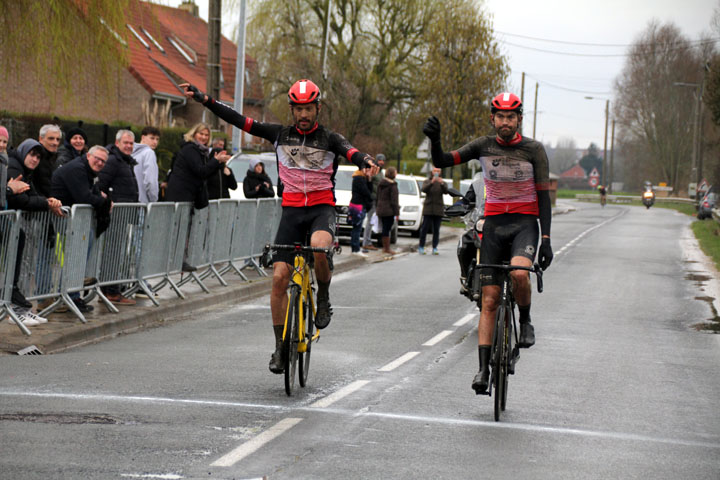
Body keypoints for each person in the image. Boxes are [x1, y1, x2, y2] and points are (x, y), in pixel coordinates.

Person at [179, 78, 375, 375]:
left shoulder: (330, 138)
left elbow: (353, 152)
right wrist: (206, 99)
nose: (303, 115)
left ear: (317, 108)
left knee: (320, 248)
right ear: (292, 110)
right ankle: (280, 348)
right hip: (292, 211)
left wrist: (366, 160)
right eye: (298, 109)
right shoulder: (279, 134)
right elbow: (238, 119)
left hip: (321, 208)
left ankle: (322, 296)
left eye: (308, 108)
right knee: (279, 278)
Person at [423, 92, 553, 395]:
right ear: (492, 119)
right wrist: (435, 140)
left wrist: (545, 239)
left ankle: (526, 318)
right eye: (500, 117)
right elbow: (444, 160)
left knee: (520, 274)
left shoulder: (534, 150)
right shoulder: (483, 146)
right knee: (490, 299)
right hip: (493, 225)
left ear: (519, 119)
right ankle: (483, 369)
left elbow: (544, 198)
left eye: (511, 117)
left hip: (524, 225)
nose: (505, 122)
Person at [7, 139, 66, 325]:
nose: (34, 160)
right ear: (23, 152)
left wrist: (49, 201)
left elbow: (31, 194)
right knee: (18, 270)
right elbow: (21, 200)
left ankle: (23, 309)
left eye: (38, 157)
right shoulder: (14, 167)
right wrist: (47, 204)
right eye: (32, 155)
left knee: (25, 268)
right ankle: (16, 311)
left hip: (21, 226)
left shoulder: (26, 171)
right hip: (13, 224)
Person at [50, 146, 113, 313]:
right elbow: (84, 197)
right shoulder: (78, 169)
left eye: (103, 161)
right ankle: (66, 296)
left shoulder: (88, 171)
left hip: (76, 221)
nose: (99, 163)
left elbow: (93, 193)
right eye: (97, 159)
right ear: (88, 155)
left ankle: (73, 295)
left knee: (78, 258)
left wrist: (101, 199)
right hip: (63, 219)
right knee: (74, 258)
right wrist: (105, 202)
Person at [164, 123, 230, 272]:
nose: (204, 137)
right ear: (194, 134)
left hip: (189, 196)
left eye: (206, 135)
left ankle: (180, 260)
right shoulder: (190, 150)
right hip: (180, 195)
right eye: (201, 134)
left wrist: (218, 163)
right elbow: (200, 171)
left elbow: (206, 174)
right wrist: (216, 161)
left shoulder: (201, 152)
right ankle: (174, 262)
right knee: (178, 230)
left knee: (184, 230)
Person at [418, 167, 448, 255]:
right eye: (435, 171)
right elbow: (424, 190)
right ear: (432, 172)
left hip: (438, 209)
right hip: (428, 209)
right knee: (424, 229)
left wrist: (441, 183)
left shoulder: (442, 182)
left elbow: (446, 191)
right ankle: (421, 246)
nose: (436, 172)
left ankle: (434, 247)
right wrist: (432, 183)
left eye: (438, 171)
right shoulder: (427, 181)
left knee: (436, 230)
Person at [362, 153, 385, 251]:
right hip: (372, 199)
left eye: (383, 160)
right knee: (370, 221)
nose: (382, 162)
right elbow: (369, 181)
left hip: (378, 199)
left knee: (373, 221)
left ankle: (368, 241)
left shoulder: (381, 171)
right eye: (380, 160)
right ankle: (366, 242)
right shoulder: (374, 169)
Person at [349, 165, 374, 256]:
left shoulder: (363, 178)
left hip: (360, 205)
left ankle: (355, 248)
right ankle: (355, 249)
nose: (368, 171)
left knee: (357, 227)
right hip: (357, 205)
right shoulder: (358, 178)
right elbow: (366, 192)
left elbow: (370, 190)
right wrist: (371, 199)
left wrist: (369, 179)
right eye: (367, 169)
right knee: (357, 227)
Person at [375, 166, 399, 256]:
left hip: (381, 209)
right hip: (389, 210)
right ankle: (387, 248)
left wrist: (377, 207)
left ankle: (385, 247)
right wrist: (396, 212)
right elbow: (394, 201)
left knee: (383, 228)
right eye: (395, 172)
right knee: (387, 228)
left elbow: (377, 197)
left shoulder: (381, 184)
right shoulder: (393, 185)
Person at [133, 126, 160, 203]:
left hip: (131, 201)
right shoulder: (149, 153)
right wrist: (154, 200)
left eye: (157, 139)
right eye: (152, 138)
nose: (155, 142)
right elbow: (150, 181)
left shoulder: (131, 152)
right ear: (143, 137)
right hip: (143, 202)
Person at [35, 124, 62, 198]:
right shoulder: (36, 158)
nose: (55, 143)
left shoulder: (54, 158)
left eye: (58, 139)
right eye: (51, 138)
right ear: (41, 139)